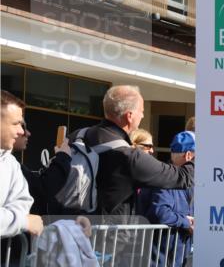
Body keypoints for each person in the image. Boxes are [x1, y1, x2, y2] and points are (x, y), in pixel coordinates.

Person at [42, 85, 192, 216]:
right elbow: (181, 177)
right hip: (112, 243)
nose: (143, 115)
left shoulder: (76, 136)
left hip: (71, 230)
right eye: (141, 111)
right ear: (129, 116)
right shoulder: (129, 156)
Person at [135, 131, 195, 267]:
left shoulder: (192, 183)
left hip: (178, 264)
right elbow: (160, 212)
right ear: (188, 156)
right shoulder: (164, 180)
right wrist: (187, 222)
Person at [1, 91, 43, 239]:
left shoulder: (11, 163)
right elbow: (25, 219)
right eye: (16, 124)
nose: (21, 131)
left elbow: (23, 203)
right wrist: (22, 222)